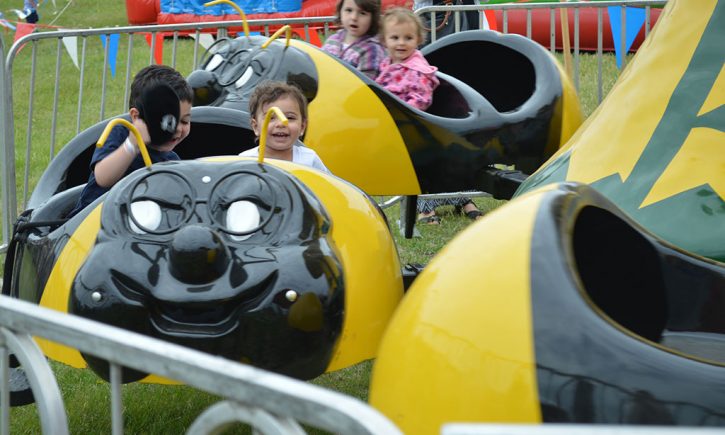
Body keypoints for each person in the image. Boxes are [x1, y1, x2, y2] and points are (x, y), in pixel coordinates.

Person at [67, 65, 193, 218]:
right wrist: (132, 145)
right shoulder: (121, 135)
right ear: (136, 117)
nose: (179, 129)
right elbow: (102, 178)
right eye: (169, 122)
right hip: (90, 225)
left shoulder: (172, 162)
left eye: (185, 121)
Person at [239, 80, 329, 173]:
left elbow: (327, 185)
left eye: (290, 117)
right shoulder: (245, 160)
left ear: (302, 127)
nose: (281, 124)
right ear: (255, 127)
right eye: (271, 118)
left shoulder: (309, 159)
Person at [375, 7, 439, 111]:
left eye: (408, 38)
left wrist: (400, 112)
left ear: (418, 40)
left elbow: (421, 99)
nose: (401, 43)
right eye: (395, 38)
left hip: (401, 117)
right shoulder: (386, 62)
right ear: (384, 40)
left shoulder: (417, 71)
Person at [321, 0, 385, 80]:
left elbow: (365, 85)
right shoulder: (332, 40)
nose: (354, 17)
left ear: (373, 18)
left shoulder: (372, 50)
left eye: (362, 13)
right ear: (340, 11)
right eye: (349, 10)